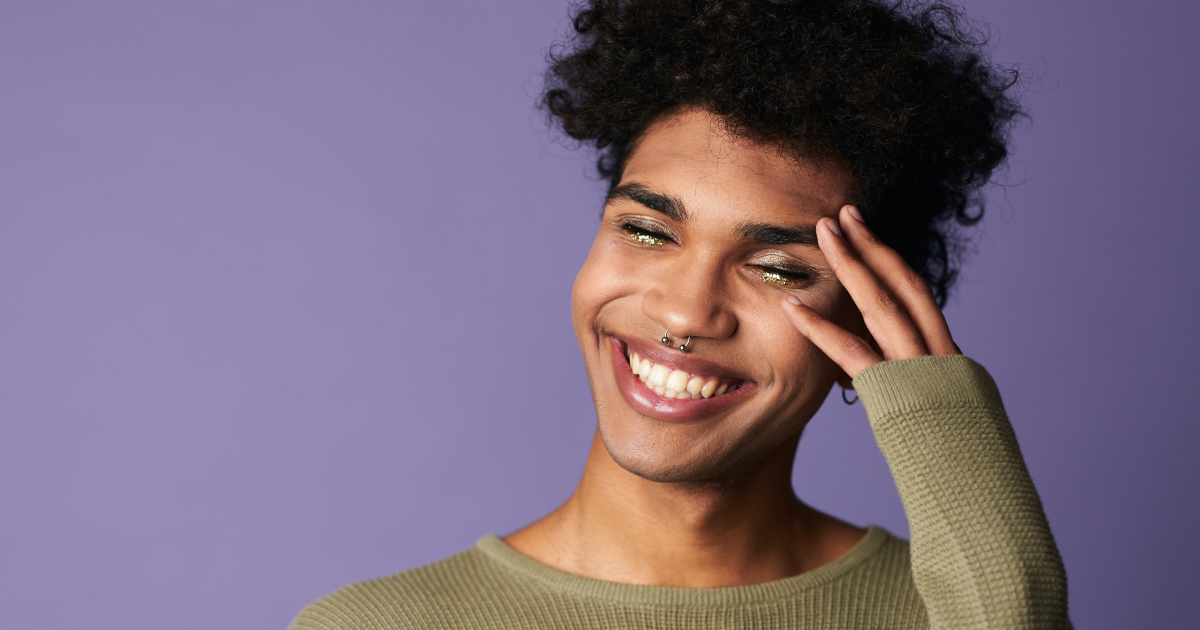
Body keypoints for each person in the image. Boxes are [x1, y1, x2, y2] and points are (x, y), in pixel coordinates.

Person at [290, 0, 1070, 628]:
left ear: (867, 324)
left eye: (776, 269)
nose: (687, 310)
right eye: (646, 230)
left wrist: (953, 443)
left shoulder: (954, 612)